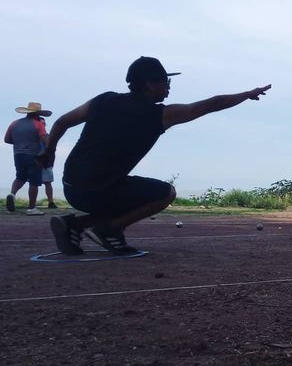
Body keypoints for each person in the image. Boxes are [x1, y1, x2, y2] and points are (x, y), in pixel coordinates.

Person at [40, 56, 271, 255]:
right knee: (164, 193)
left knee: (123, 191)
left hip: (71, 186)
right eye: (165, 82)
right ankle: (109, 229)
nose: (169, 87)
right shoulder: (160, 115)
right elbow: (211, 104)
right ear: (150, 84)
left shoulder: (102, 101)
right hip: (98, 192)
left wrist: (49, 152)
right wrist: (247, 94)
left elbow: (61, 122)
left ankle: (76, 225)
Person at [4, 101, 52, 215]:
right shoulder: (38, 124)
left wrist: (20, 143)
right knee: (34, 182)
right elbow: (45, 141)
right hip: (34, 155)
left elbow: (7, 139)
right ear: (37, 113)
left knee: (20, 177)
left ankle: (12, 194)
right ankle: (31, 208)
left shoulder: (14, 123)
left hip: (18, 155)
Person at [37, 117, 58, 209]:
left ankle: (51, 202)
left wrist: (52, 163)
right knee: (33, 183)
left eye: (44, 124)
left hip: (46, 162)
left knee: (48, 183)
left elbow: (53, 151)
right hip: (34, 161)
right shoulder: (33, 137)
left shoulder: (48, 137)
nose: (43, 125)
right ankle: (32, 203)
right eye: (41, 124)